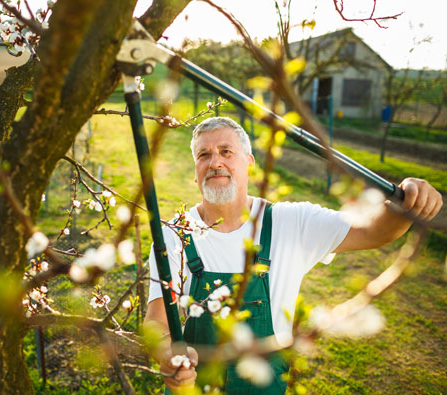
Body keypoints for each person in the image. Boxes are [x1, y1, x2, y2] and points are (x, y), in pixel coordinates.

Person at [144, 117, 443, 394]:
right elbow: (156, 323)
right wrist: (168, 354)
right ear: (195, 172)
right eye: (204, 155)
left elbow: (374, 231)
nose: (215, 162)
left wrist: (409, 197)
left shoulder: (290, 222)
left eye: (225, 151)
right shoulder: (172, 234)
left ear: (249, 163)